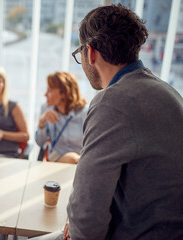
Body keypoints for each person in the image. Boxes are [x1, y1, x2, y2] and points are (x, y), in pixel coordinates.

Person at [61, 4, 183, 240]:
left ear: (90, 52)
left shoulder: (111, 103)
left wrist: (75, 229)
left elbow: (86, 217)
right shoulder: (167, 92)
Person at [35, 72, 87, 163]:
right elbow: (40, 143)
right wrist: (41, 122)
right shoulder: (46, 109)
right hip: (56, 161)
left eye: (50, 90)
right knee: (71, 158)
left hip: (80, 162)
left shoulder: (85, 113)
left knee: (73, 158)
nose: (45, 94)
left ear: (64, 93)